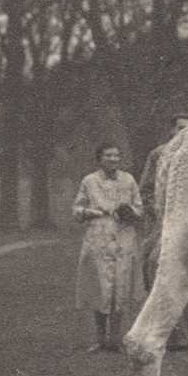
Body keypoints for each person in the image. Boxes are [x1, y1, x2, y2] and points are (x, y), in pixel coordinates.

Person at [139, 113, 188, 352]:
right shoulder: (158, 155)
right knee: (155, 268)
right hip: (162, 223)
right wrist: (159, 213)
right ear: (171, 130)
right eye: (179, 128)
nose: (183, 133)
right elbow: (146, 189)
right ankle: (164, 334)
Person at [73, 143, 144, 353]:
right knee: (101, 288)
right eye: (108, 155)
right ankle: (100, 338)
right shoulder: (89, 181)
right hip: (98, 238)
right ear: (99, 159)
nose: (113, 159)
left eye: (116, 155)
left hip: (123, 238)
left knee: (119, 288)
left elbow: (140, 208)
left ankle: (115, 339)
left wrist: (129, 211)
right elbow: (77, 209)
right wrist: (91, 212)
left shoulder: (128, 179)